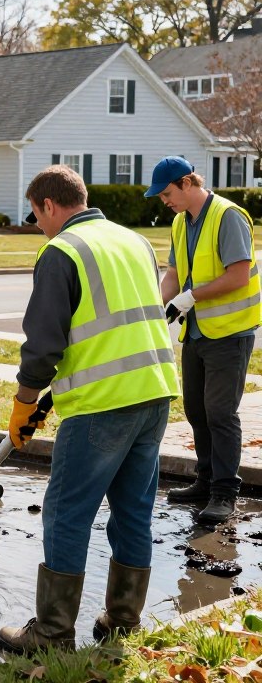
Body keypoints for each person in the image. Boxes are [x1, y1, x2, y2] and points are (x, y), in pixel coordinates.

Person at [0, 165, 178, 655]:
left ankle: (52, 635)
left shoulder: (60, 252)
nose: (38, 226)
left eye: (37, 216)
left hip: (102, 403)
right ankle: (123, 621)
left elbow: (43, 345)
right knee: (134, 511)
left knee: (66, 513)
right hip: (155, 391)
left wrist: (24, 403)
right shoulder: (133, 241)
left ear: (49, 205)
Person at [144, 156, 260, 525]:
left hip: (230, 333)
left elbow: (239, 276)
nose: (166, 202)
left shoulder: (228, 216)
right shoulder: (181, 223)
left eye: (167, 194)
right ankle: (205, 481)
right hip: (196, 331)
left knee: (221, 414)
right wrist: (155, 307)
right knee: (195, 409)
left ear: (187, 183)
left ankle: (225, 493)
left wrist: (192, 297)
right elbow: (175, 274)